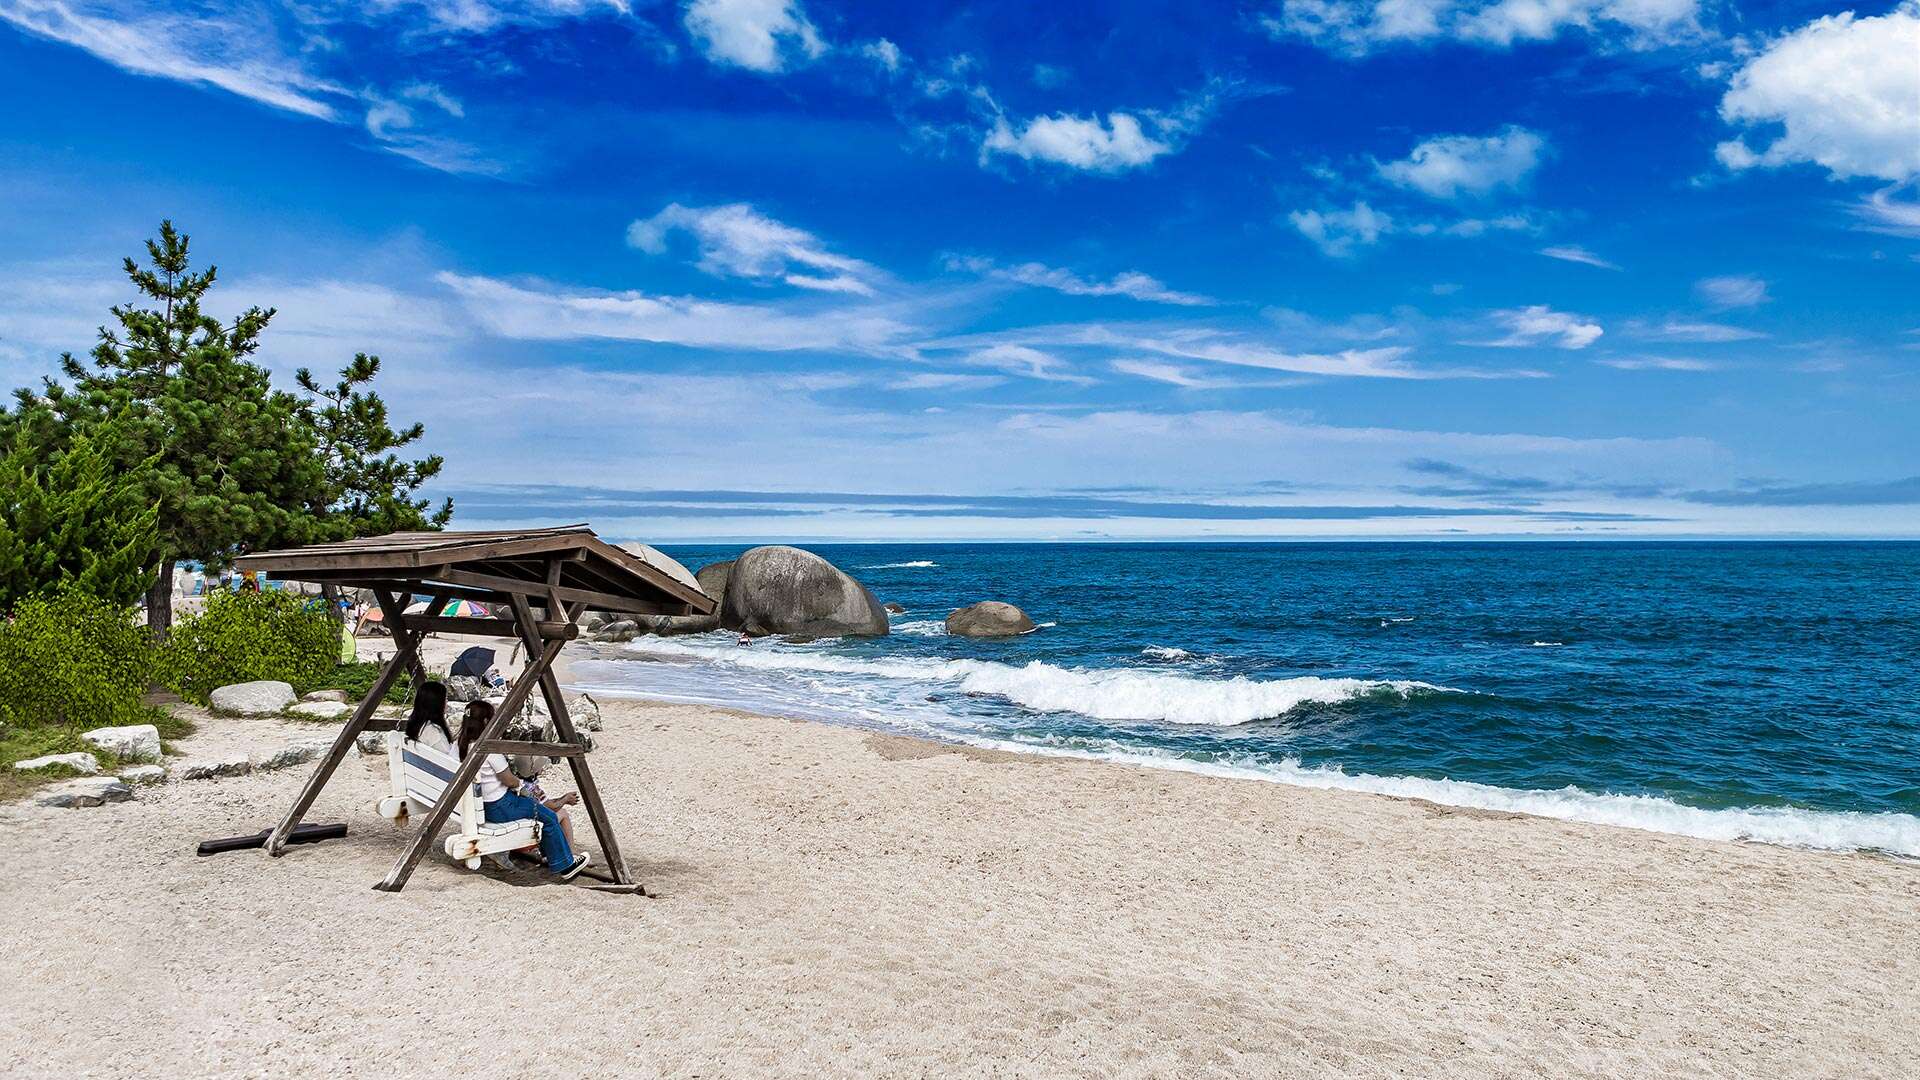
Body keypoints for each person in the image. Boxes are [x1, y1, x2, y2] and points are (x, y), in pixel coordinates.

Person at [457, 702, 589, 880]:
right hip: (499, 806)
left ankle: (554, 855)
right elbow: (509, 780)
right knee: (549, 817)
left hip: (477, 806)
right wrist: (522, 786)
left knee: (540, 811)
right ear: (487, 721)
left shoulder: (459, 745)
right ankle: (565, 865)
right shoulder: (488, 750)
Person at [402, 680, 454, 754]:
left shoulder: (417, 725)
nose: (447, 702)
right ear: (436, 703)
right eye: (445, 699)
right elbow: (450, 760)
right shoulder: (434, 733)